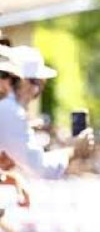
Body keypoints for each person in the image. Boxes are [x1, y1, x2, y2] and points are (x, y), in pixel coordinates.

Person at [0, 46, 94, 180]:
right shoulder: (9, 109)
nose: (36, 90)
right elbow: (41, 170)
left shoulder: (7, 109)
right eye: (36, 82)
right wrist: (73, 149)